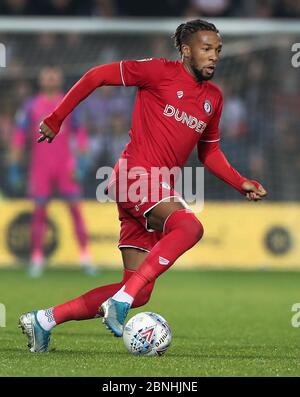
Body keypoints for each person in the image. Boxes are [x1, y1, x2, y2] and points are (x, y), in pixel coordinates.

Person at [19, 19, 267, 352]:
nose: (214, 57)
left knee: (140, 289)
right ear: (185, 50)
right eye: (206, 49)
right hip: (135, 175)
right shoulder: (157, 72)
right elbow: (96, 76)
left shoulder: (214, 98)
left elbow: (210, 152)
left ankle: (44, 320)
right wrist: (56, 118)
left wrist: (241, 183)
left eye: (218, 50)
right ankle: (119, 301)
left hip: (149, 189)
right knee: (189, 228)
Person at [9, 66, 96, 277]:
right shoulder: (31, 106)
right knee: (39, 212)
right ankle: (37, 258)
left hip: (65, 166)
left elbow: (80, 133)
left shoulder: (67, 102)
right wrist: (15, 165)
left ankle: (85, 257)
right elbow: (19, 136)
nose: (50, 79)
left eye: (53, 75)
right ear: (40, 79)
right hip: (41, 167)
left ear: (58, 78)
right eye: (46, 75)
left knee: (75, 211)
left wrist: (82, 161)